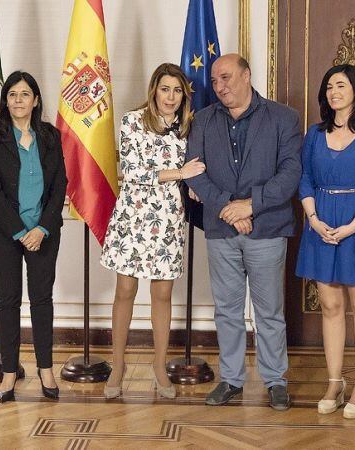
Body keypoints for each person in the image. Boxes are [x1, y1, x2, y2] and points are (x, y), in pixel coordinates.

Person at [184, 54, 302, 410]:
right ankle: (232, 380)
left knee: (269, 312)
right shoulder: (202, 121)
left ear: (247, 75)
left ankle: (275, 380)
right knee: (228, 310)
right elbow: (195, 173)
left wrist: (250, 206)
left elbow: (290, 173)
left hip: (267, 228)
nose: (220, 86)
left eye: (227, 78)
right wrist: (229, 209)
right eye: (216, 81)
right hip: (221, 230)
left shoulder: (284, 117)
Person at [100, 63, 205, 399]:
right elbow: (132, 172)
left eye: (177, 90)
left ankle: (159, 366)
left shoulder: (189, 126)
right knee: (125, 291)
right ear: (154, 90)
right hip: (133, 218)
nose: (171, 97)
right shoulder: (133, 121)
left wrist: (193, 183)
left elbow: (198, 169)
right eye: (165, 89)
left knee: (162, 295)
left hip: (168, 220)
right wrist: (179, 173)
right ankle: (118, 365)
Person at [295, 64, 355, 419]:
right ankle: (335, 381)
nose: (333, 91)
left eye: (341, 85)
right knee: (330, 308)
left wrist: (352, 226)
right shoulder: (314, 134)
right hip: (320, 224)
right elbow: (304, 180)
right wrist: (314, 221)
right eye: (329, 86)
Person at [0, 71, 67, 402]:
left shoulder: (50, 136)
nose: (18, 100)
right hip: (5, 232)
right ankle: (9, 372)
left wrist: (41, 228)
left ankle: (46, 368)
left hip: (43, 231)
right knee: (8, 300)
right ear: (6, 101)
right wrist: (19, 230)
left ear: (36, 100)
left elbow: (60, 185)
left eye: (25, 94)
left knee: (42, 300)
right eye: (12, 94)